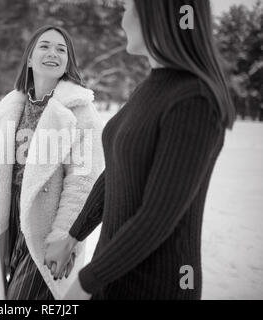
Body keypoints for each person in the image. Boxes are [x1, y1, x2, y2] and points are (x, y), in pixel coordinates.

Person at [44, 0, 235, 300]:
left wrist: (84, 284)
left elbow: (157, 217)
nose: (122, 19)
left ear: (154, 14)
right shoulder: (153, 86)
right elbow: (119, 171)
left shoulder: (194, 101)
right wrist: (72, 237)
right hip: (113, 276)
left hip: (154, 288)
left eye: (127, 7)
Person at [0, 25, 104, 300]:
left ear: (68, 62)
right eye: (44, 46)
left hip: (48, 223)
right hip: (11, 216)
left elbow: (83, 180)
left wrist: (64, 236)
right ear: (29, 58)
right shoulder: (12, 105)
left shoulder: (80, 110)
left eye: (62, 50)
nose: (53, 53)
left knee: (23, 297)